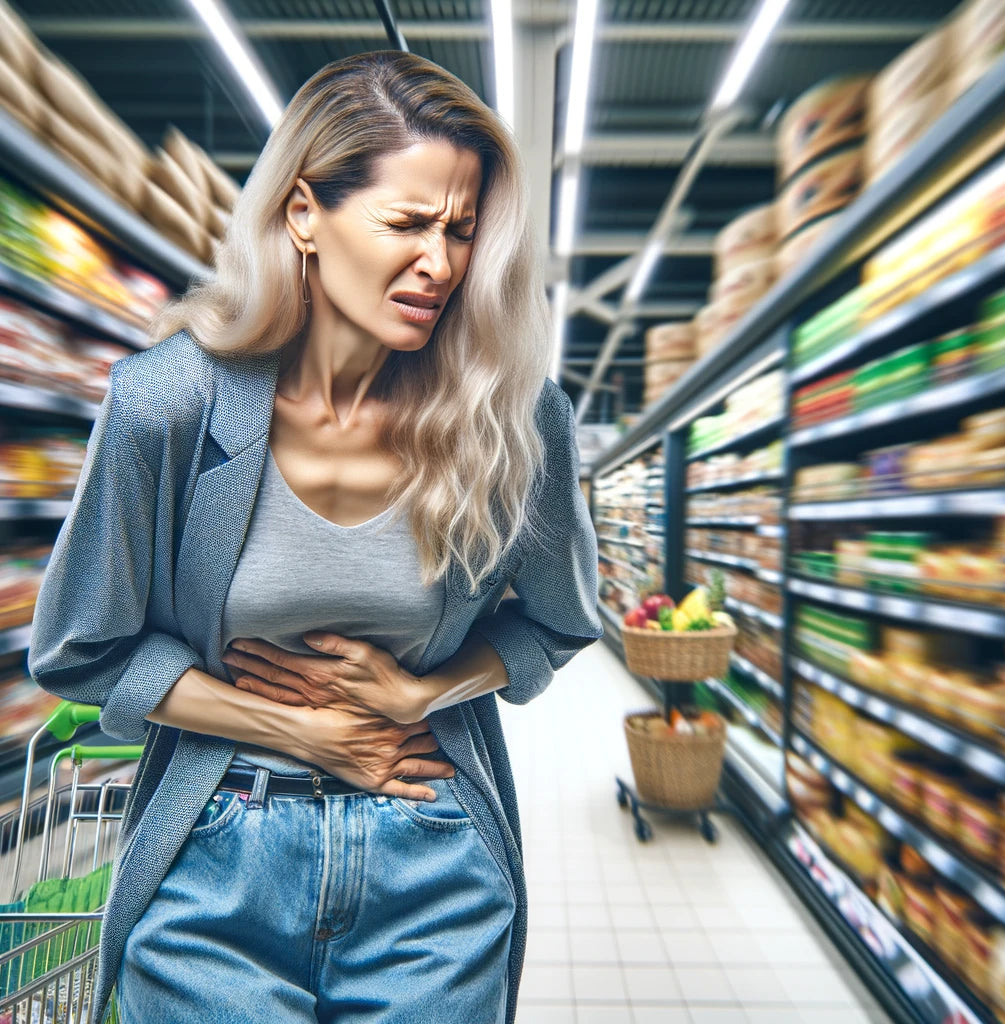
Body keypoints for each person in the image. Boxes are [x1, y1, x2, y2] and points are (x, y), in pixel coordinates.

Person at [27, 50, 602, 1024]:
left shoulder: (510, 418)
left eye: (461, 230)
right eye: (409, 223)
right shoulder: (166, 404)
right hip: (217, 870)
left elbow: (557, 623)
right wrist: (298, 728)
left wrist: (426, 688)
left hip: (431, 870)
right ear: (304, 214)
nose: (442, 262)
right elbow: (81, 647)